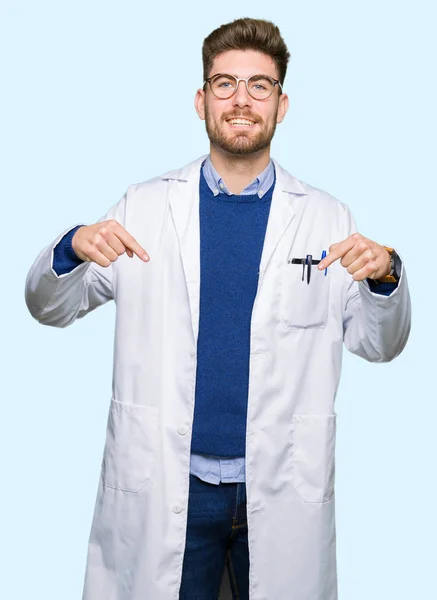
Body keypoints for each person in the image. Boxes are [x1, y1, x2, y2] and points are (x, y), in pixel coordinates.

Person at [25, 17, 411, 600]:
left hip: (277, 484)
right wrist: (70, 248)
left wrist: (386, 276)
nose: (241, 100)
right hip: (172, 483)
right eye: (225, 83)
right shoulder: (144, 206)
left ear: (281, 105)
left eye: (260, 86)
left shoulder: (328, 218)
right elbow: (50, 307)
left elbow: (379, 344)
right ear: (202, 100)